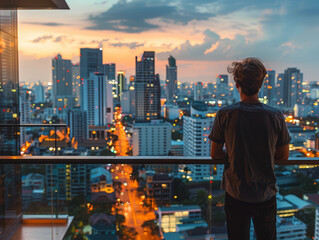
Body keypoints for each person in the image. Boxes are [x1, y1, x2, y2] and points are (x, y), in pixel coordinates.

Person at [208, 58, 291, 240]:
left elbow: (214, 154)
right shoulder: (275, 115)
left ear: (237, 84)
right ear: (260, 84)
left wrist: (233, 154)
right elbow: (283, 156)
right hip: (266, 194)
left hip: (236, 193)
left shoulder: (225, 114)